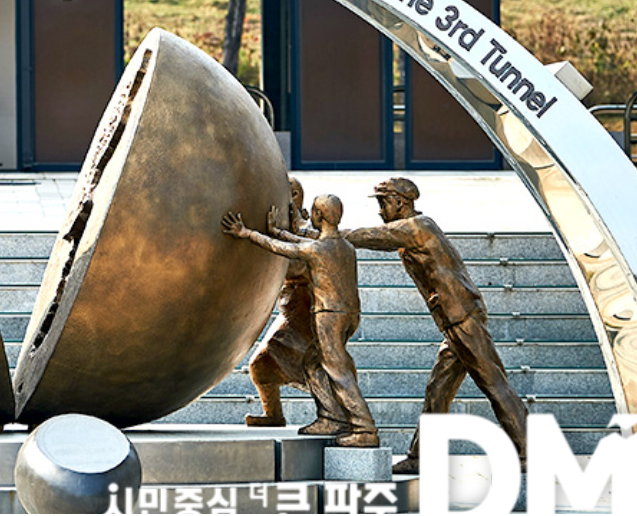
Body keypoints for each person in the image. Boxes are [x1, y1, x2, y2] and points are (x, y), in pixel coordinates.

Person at [344, 177, 528, 474]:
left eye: (383, 202)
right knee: (439, 389)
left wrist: (323, 233)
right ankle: (422, 456)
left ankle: (528, 450)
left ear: (400, 202)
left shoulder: (417, 227)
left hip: (461, 318)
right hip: (454, 319)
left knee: (493, 383)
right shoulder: (414, 228)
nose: (379, 210)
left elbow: (370, 236)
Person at [223, 195, 378, 448]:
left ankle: (364, 428)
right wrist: (278, 231)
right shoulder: (345, 247)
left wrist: (247, 233)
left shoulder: (316, 250)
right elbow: (302, 242)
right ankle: (331, 418)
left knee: (336, 370)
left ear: (319, 216)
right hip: (349, 315)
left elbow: (282, 249)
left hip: (329, 315)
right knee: (313, 363)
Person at [243, 178, 334, 428]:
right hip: (291, 311)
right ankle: (273, 414)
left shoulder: (310, 231)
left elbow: (296, 266)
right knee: (261, 365)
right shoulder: (285, 226)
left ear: (294, 195)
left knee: (318, 369)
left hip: (309, 312)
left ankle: (333, 416)